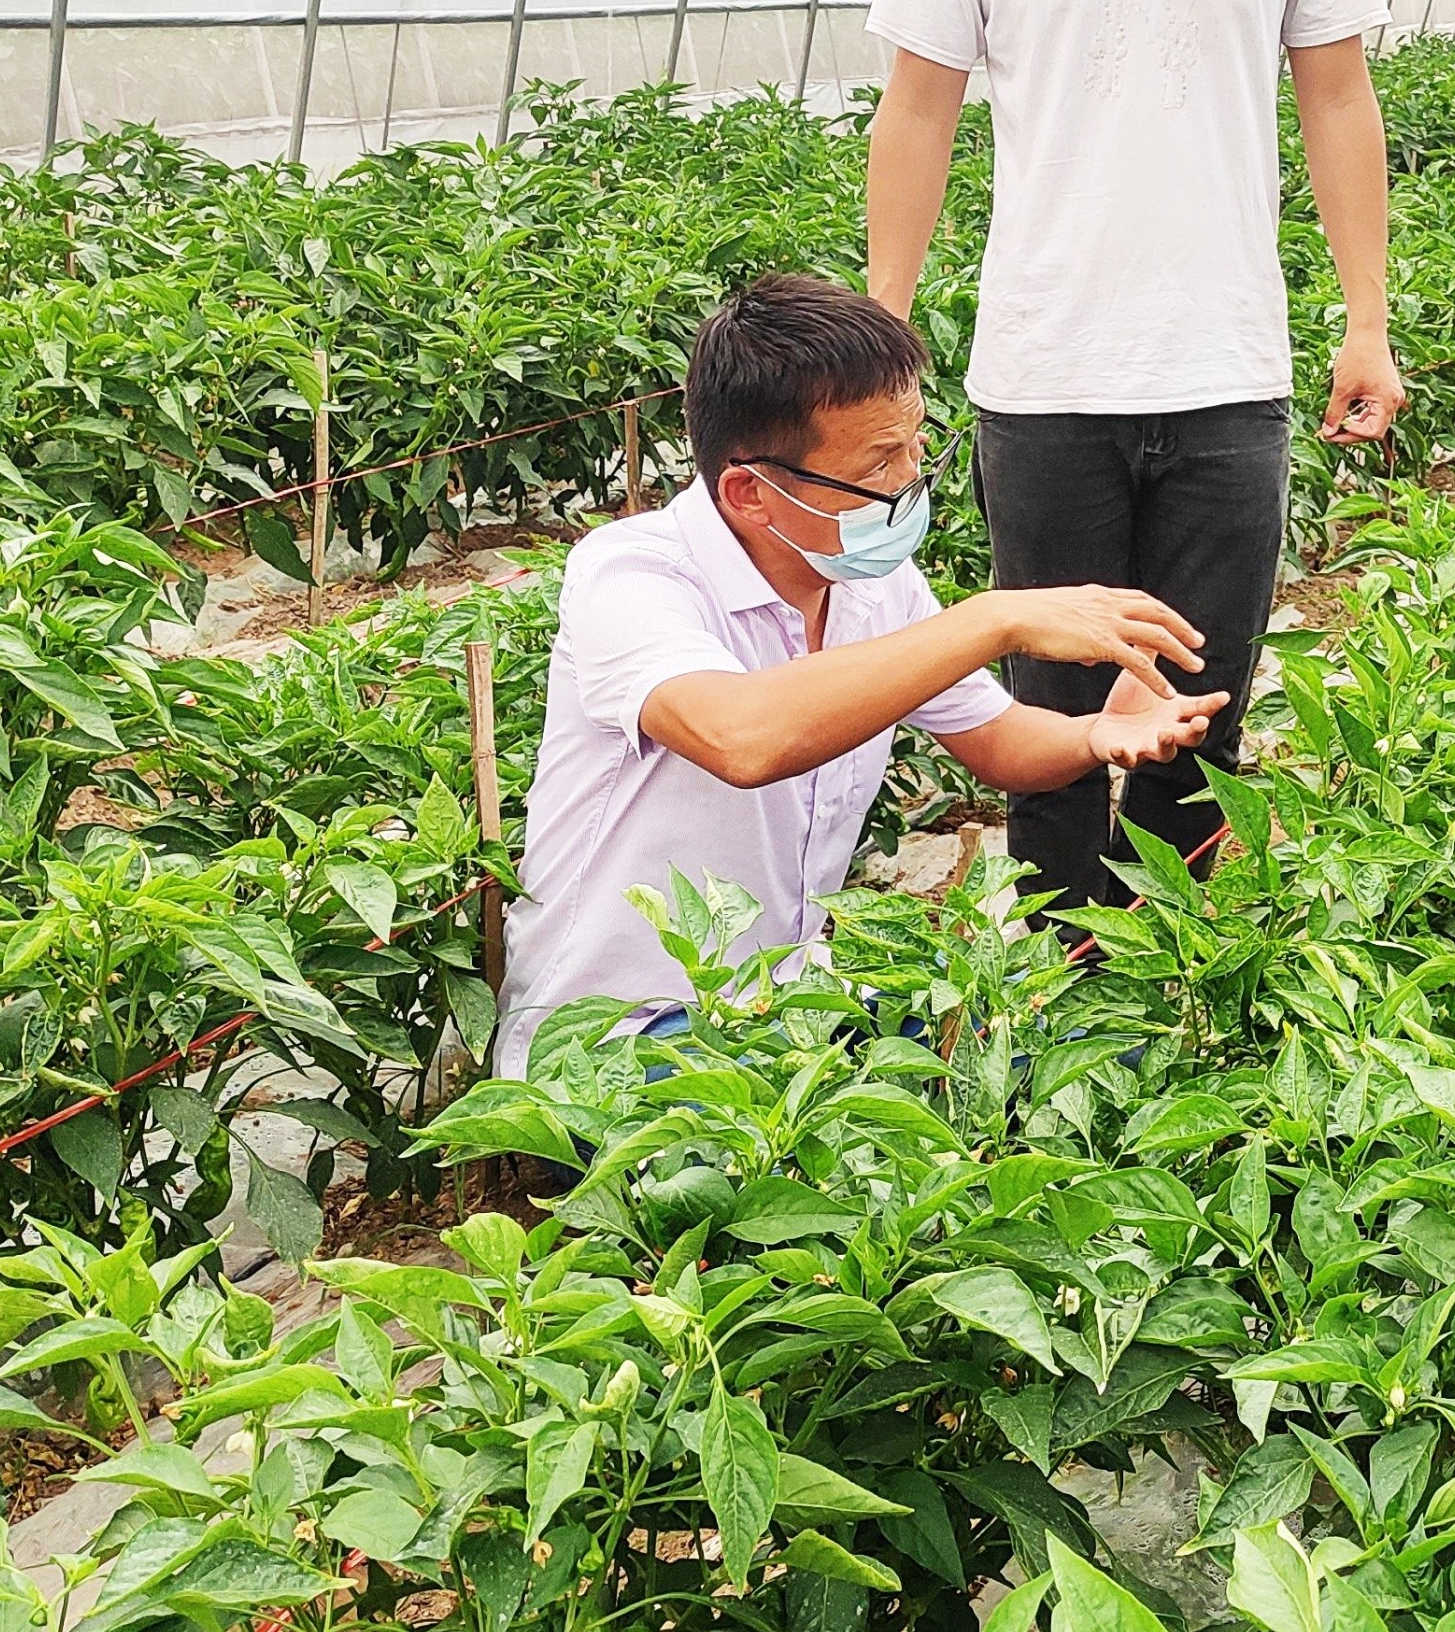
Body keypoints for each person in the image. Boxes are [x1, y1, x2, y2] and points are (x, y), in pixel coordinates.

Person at [860, 0, 1402, 915]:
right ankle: (1067, 1010)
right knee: (1050, 730)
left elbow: (1337, 98)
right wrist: (883, 339)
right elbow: (917, 109)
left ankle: (1183, 1016)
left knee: (1197, 725)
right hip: (1043, 376)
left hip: (1226, 373)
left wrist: (1368, 322)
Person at [494, 272, 1223, 1075]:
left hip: (789, 1012)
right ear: (750, 491)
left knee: (1094, 1063)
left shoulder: (871, 583)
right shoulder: (632, 576)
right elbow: (740, 736)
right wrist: (993, 617)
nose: (911, 479)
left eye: (917, 445)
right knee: (882, 1166)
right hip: (618, 1045)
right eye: (880, 462)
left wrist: (1097, 734)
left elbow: (999, 741)